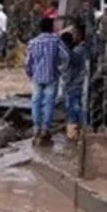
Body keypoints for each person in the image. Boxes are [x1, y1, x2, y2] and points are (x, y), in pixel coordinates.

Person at [25, 17, 70, 146]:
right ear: (51, 28)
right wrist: (60, 70)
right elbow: (66, 57)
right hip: (52, 77)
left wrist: (30, 74)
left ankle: (36, 128)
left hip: (36, 77)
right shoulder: (56, 41)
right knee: (48, 103)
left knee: (35, 102)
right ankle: (45, 129)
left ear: (40, 28)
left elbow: (28, 62)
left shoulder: (33, 42)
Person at [60, 29, 88, 142]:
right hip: (79, 83)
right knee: (78, 107)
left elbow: (68, 72)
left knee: (73, 108)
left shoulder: (74, 52)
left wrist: (66, 83)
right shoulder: (80, 50)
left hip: (73, 84)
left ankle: (73, 135)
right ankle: (81, 131)